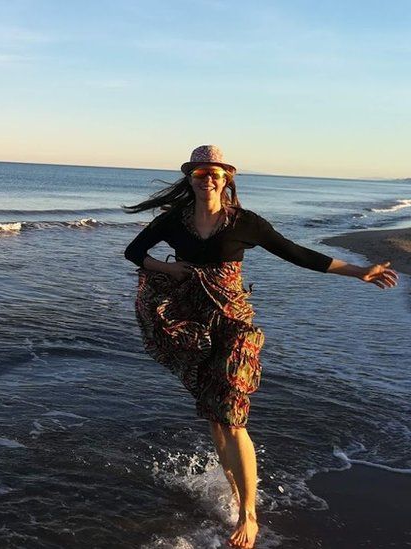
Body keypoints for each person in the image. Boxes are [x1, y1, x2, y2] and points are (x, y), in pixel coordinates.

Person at [122, 145, 399, 548]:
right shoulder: (173, 222)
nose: (208, 179)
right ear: (191, 179)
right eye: (201, 174)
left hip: (234, 323)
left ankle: (248, 514)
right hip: (194, 325)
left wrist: (359, 272)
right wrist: (167, 267)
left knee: (233, 416)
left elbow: (297, 253)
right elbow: (134, 253)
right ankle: (235, 495)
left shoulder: (244, 223)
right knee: (216, 416)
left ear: (227, 178)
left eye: (215, 173)